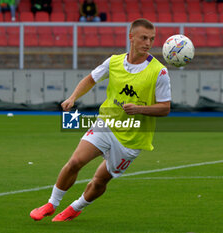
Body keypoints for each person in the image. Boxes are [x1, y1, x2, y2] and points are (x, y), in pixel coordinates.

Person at [30, 18, 171, 222]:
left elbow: (165, 108)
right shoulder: (113, 62)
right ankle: (51, 203)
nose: (148, 43)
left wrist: (140, 109)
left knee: (99, 181)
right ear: (131, 37)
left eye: (152, 39)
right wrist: (72, 98)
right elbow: (90, 79)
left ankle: (76, 207)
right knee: (75, 161)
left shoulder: (160, 72)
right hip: (106, 124)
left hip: (132, 140)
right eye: (143, 38)